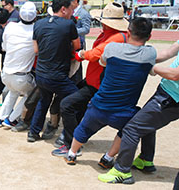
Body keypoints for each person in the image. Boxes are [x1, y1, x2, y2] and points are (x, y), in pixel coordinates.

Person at [65, 18, 155, 166]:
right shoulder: (149, 54)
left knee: (84, 128)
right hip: (124, 112)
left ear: (129, 32)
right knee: (131, 128)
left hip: (98, 105)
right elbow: (155, 64)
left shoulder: (112, 48)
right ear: (149, 36)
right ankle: (108, 157)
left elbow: (102, 62)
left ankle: (72, 154)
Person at [52, 2, 129, 157]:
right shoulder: (108, 33)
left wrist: (78, 54)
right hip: (92, 79)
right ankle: (75, 136)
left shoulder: (118, 37)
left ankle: (71, 143)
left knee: (67, 105)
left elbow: (96, 54)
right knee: (76, 105)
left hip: (99, 84)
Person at [98, 39, 179, 184]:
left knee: (131, 129)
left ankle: (122, 171)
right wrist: (140, 57)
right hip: (166, 93)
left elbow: (175, 75)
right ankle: (145, 159)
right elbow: (170, 51)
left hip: (172, 98)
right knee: (146, 123)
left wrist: (152, 68)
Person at [27, 0, 80, 143]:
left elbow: (36, 50)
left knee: (44, 100)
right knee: (77, 99)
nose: (72, 12)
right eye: (71, 9)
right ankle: (70, 137)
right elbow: (77, 46)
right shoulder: (69, 25)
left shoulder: (38, 24)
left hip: (41, 73)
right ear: (63, 9)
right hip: (58, 76)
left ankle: (33, 132)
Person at [43, 0, 93, 140]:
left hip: (75, 55)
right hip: (59, 60)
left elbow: (86, 30)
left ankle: (68, 129)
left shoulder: (82, 14)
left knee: (72, 90)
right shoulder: (60, 17)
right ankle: (54, 124)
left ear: (76, 2)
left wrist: (70, 32)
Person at [0, 2, 37, 128]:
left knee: (13, 91)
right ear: (35, 17)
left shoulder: (10, 26)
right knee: (31, 93)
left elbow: (4, 47)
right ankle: (12, 119)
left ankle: (1, 118)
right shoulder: (35, 30)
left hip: (6, 74)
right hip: (21, 76)